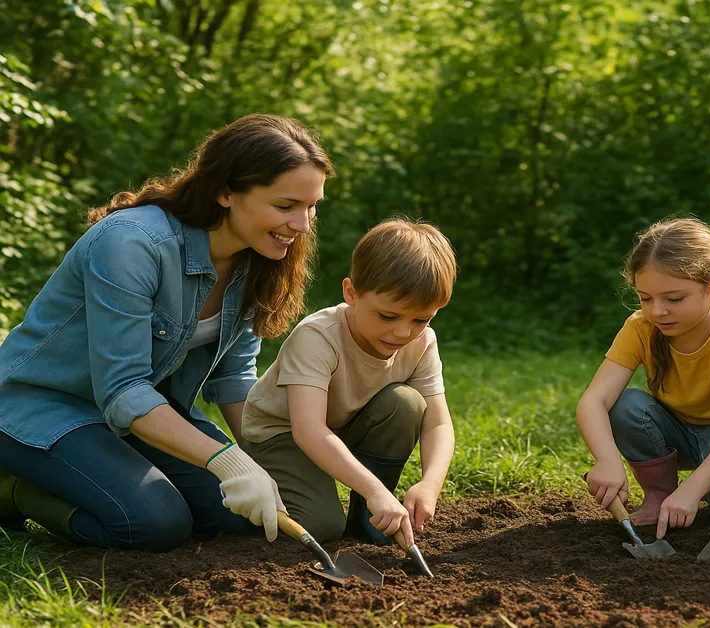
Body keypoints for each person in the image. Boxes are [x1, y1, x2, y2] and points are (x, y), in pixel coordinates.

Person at [0, 114, 332, 550]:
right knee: (156, 523)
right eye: (286, 206)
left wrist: (264, 462)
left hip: (133, 418)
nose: (303, 225)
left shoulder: (259, 260)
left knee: (239, 518)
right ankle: (14, 491)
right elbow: (123, 389)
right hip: (40, 408)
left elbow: (234, 379)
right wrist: (227, 461)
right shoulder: (131, 244)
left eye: (312, 207)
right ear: (226, 192)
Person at [239, 219, 457, 546]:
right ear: (351, 293)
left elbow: (438, 423)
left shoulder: (422, 341)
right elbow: (309, 430)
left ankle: (369, 517)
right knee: (321, 525)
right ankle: (245, 494)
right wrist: (373, 490)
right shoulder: (318, 337)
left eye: (420, 319)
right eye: (388, 316)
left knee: (407, 404)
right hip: (282, 436)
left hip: (342, 427)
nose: (403, 332)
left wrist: (430, 484)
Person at [578, 217, 710, 540]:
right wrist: (608, 460)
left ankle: (708, 485)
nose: (657, 312)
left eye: (674, 299)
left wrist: (694, 490)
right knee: (625, 405)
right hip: (674, 431)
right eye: (646, 298)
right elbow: (592, 402)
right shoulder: (641, 328)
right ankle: (659, 493)